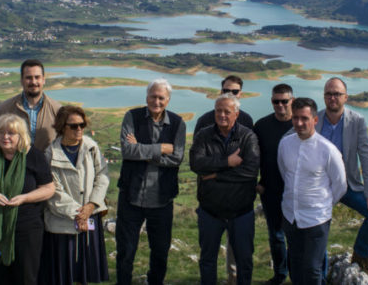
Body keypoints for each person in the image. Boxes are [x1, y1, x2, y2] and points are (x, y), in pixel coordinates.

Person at [0, 114, 55, 285]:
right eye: (1, 132)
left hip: (26, 227)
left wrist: (25, 198)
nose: (5, 137)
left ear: (21, 136)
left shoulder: (34, 156)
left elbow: (49, 188)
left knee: (25, 276)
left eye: (11, 133)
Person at [316, 77, 368, 279]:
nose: (333, 98)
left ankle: (361, 256)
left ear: (346, 97)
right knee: (319, 227)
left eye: (337, 94)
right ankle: (319, 274)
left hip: (348, 185)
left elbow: (366, 157)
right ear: (324, 96)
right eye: (329, 94)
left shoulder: (357, 121)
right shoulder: (315, 119)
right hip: (320, 186)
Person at [116, 79, 186, 285]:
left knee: (160, 251)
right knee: (126, 251)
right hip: (131, 196)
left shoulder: (178, 123)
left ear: (168, 100)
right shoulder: (132, 116)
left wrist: (142, 150)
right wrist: (160, 148)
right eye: (153, 96)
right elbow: (127, 151)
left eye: (161, 97)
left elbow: (176, 158)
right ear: (147, 97)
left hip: (161, 200)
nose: (156, 101)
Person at [190, 93, 260, 285]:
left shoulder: (248, 137)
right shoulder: (204, 135)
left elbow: (250, 171)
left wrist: (216, 175)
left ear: (236, 114)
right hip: (210, 211)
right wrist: (227, 162)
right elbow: (196, 164)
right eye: (218, 111)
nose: (222, 115)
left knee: (244, 261)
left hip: (241, 212)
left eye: (227, 112)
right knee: (207, 260)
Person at [278, 97, 347, 285]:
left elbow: (340, 185)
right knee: (295, 265)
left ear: (315, 120)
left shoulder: (328, 150)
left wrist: (322, 204)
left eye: (305, 119)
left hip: (316, 220)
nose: (299, 123)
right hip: (291, 216)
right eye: (296, 118)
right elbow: (286, 173)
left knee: (312, 269)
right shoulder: (285, 144)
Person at [39, 105, 110, 284]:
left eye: (82, 124)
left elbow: (102, 176)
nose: (79, 129)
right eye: (74, 126)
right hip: (62, 222)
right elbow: (54, 192)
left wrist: (92, 205)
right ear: (62, 127)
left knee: (86, 272)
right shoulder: (50, 154)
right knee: (65, 274)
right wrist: (80, 214)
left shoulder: (91, 147)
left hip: (90, 216)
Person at [253, 83, 294, 285]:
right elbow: (252, 158)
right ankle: (280, 275)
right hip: (270, 191)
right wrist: (256, 184)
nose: (280, 105)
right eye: (275, 101)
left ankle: (300, 274)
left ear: (291, 101)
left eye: (284, 101)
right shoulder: (261, 126)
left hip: (296, 193)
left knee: (297, 235)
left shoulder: (300, 124)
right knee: (276, 236)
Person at [0, 59, 61, 151]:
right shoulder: (5, 109)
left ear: (43, 80)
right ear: (21, 80)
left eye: (37, 77)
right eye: (28, 78)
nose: (33, 82)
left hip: (45, 164)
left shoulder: (57, 109)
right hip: (13, 163)